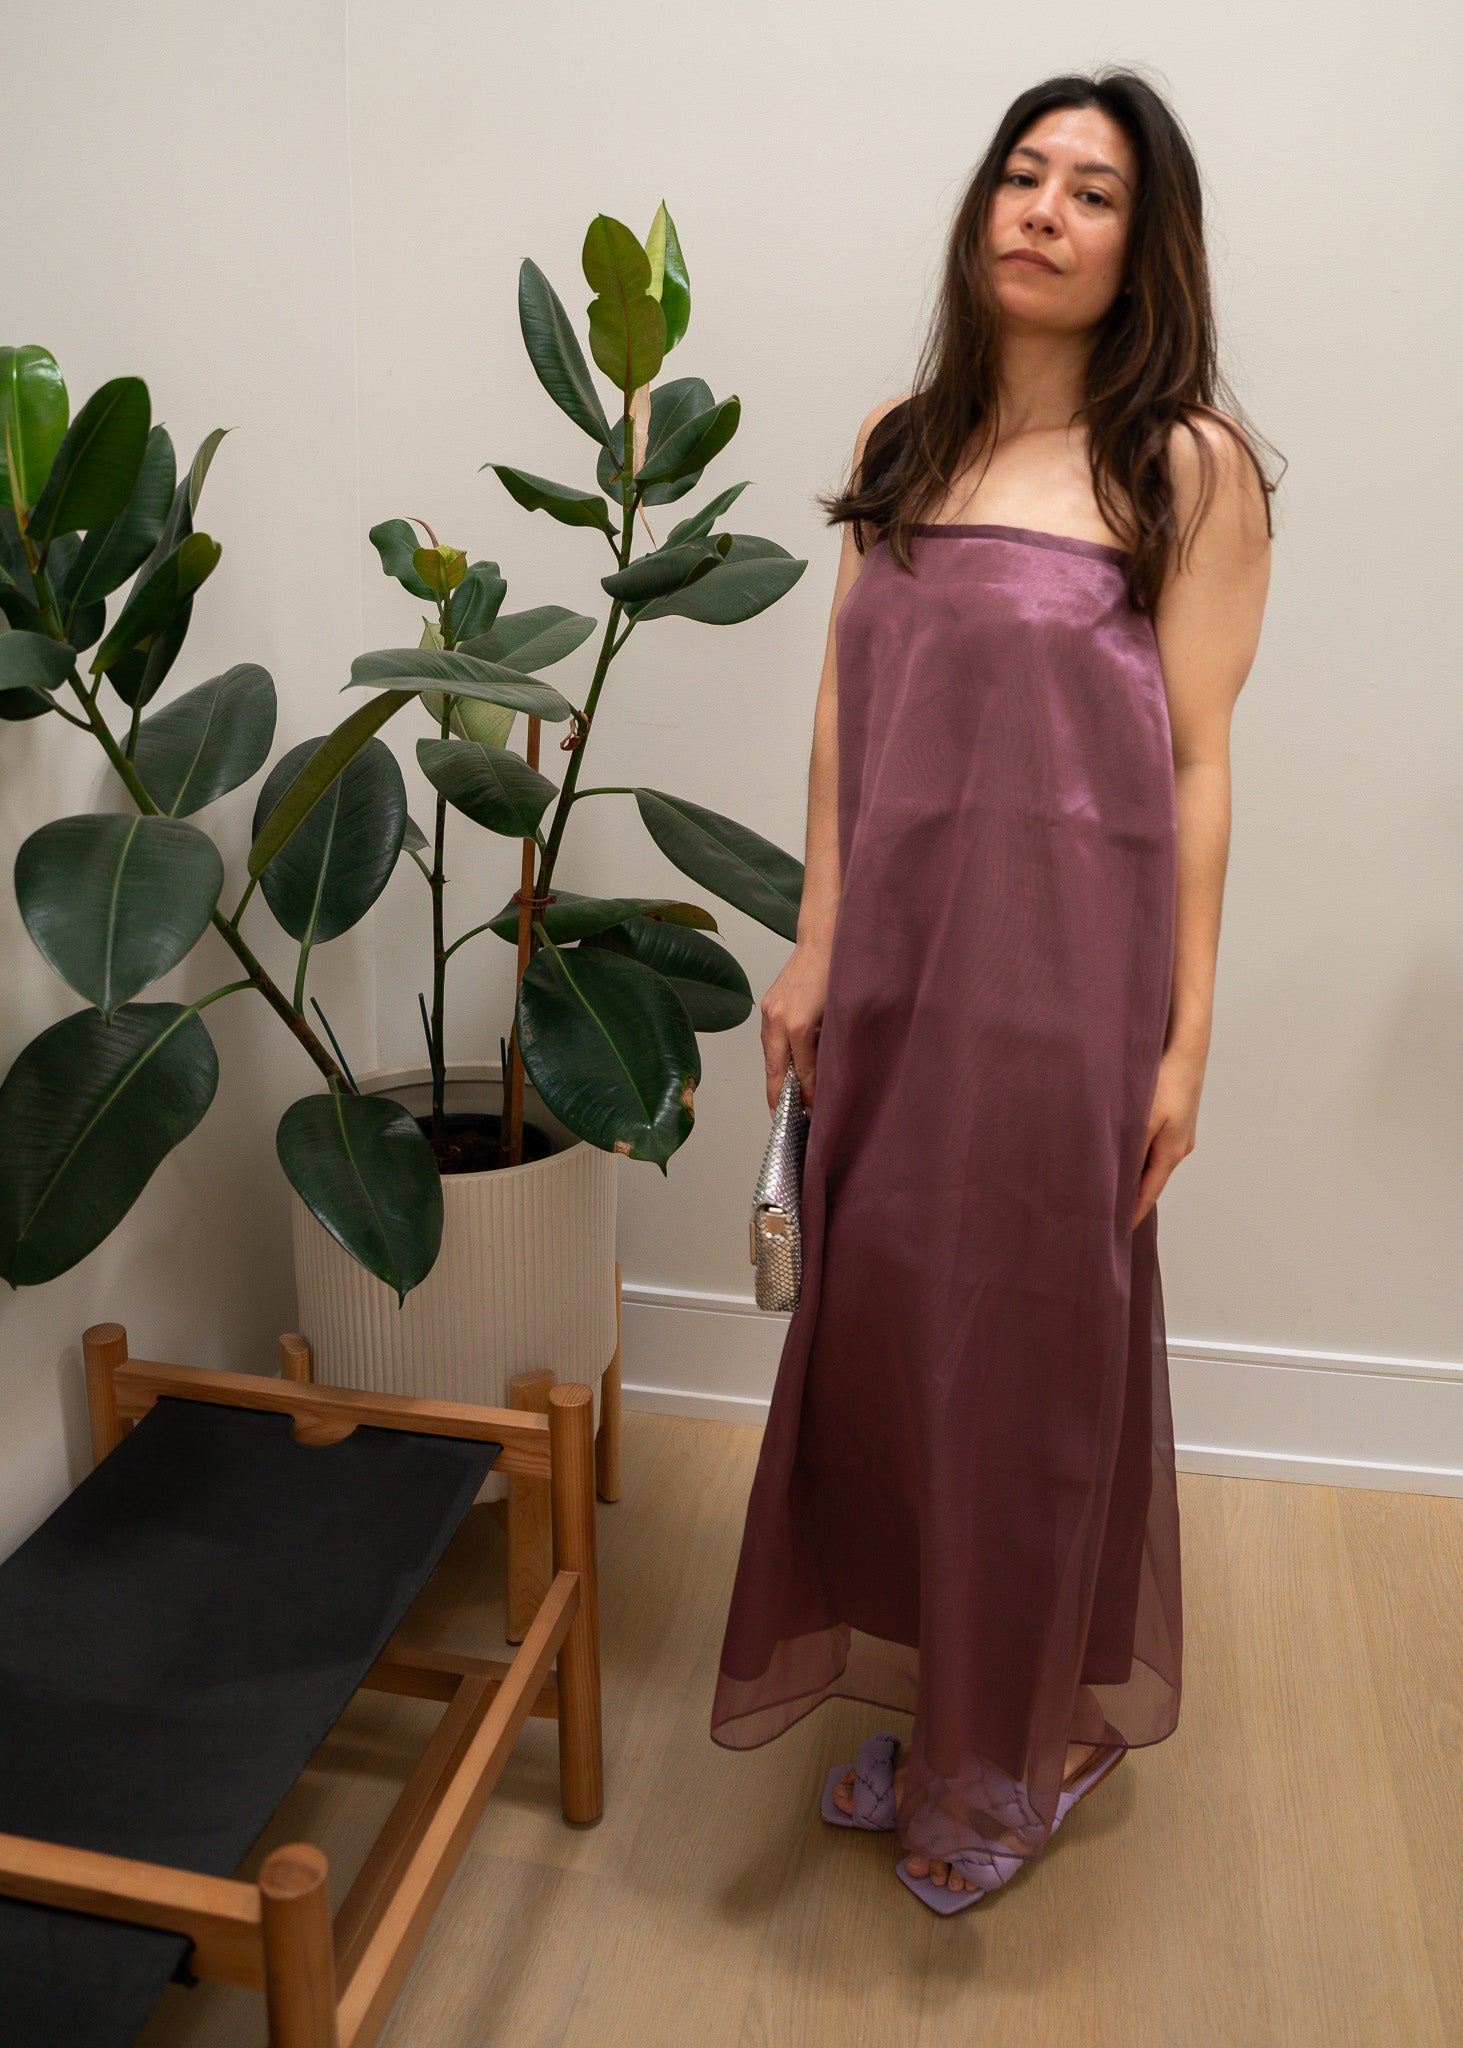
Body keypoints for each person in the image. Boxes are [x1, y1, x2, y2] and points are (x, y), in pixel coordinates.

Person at [710, 68, 1275, 1911]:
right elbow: (844, 709)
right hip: (897, 982)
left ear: (1143, 243)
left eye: (1090, 191)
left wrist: (1185, 1037)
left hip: (1066, 994)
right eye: (1019, 175)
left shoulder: (1183, 466)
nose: (1041, 209)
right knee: (886, 1339)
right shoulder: (898, 436)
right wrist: (817, 935)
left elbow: (1195, 764)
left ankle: (1019, 1740)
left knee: (1031, 1364)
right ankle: (959, 1696)